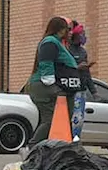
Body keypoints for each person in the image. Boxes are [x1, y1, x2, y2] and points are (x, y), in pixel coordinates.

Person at [26, 16, 81, 152]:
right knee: (50, 121)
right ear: (60, 30)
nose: (70, 33)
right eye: (67, 30)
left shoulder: (57, 43)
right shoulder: (50, 42)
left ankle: (45, 150)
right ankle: (32, 148)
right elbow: (46, 64)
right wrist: (54, 87)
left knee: (54, 121)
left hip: (50, 87)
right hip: (44, 87)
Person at [66, 20, 94, 141]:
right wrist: (78, 68)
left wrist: (93, 90)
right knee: (73, 118)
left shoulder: (83, 51)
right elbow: (65, 69)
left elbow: (87, 74)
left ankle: (77, 138)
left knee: (80, 118)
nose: (83, 36)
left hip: (82, 89)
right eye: (81, 34)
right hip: (72, 89)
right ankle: (70, 139)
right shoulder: (67, 49)